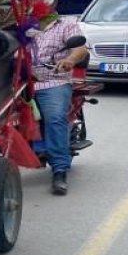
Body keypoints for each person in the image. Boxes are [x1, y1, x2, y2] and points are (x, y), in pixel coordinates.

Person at [30, 13, 90, 196]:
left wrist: (69, 60)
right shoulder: (20, 22)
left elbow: (81, 49)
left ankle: (59, 171)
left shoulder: (66, 24)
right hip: (20, 82)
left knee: (55, 117)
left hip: (53, 82)